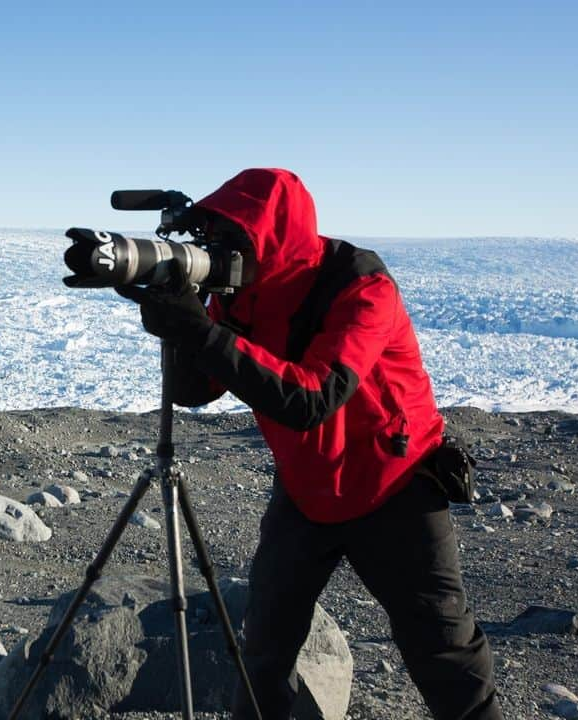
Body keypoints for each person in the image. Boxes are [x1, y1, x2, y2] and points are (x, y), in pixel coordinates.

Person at [117, 169, 502, 720]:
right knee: (266, 651)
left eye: (235, 241)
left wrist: (201, 333)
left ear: (270, 238)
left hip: (395, 485)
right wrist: (179, 323)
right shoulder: (243, 292)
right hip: (306, 486)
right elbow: (195, 391)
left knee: (442, 649)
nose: (224, 255)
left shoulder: (362, 288)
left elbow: (310, 400)